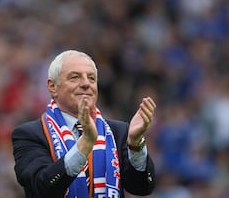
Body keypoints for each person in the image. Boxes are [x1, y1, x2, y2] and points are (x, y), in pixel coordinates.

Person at [12, 50, 156, 198]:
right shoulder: (28, 134)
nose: (86, 84)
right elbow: (41, 187)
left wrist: (135, 145)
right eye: (75, 77)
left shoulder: (119, 132)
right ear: (52, 87)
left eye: (92, 78)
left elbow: (142, 187)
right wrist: (85, 144)